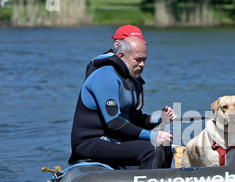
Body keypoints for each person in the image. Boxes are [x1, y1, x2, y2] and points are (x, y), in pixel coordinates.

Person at [69, 36, 176, 169]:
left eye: (144, 60)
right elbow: (114, 123)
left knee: (165, 148)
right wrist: (153, 136)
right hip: (90, 143)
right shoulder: (106, 76)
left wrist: (161, 118)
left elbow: (133, 119)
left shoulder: (130, 80)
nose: (142, 64)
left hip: (115, 140)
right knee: (152, 150)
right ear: (121, 55)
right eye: (138, 60)